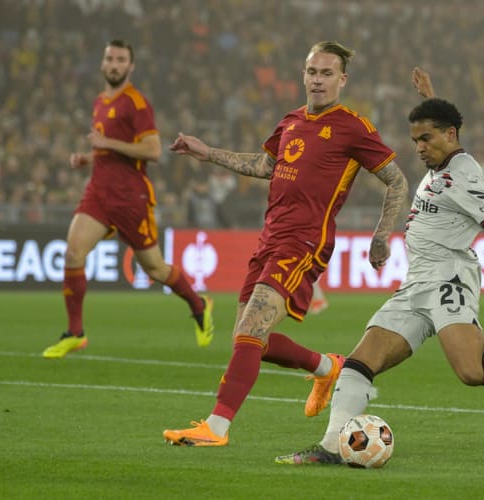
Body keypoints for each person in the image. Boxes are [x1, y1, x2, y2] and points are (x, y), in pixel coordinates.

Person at [274, 68, 484, 465]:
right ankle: (331, 447)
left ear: (450, 135)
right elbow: (444, 126)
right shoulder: (442, 164)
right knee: (360, 363)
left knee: (473, 372)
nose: (418, 148)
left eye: (426, 139)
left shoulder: (466, 174)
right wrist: (431, 97)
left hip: (450, 278)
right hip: (416, 282)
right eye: (415, 140)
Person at [162, 41, 409, 447]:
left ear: (342, 80)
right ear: (303, 74)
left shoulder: (352, 126)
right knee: (249, 338)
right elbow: (264, 166)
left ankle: (216, 427)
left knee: (253, 325)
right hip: (269, 237)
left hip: (305, 241)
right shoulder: (291, 121)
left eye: (327, 73)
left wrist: (382, 233)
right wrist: (208, 153)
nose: (318, 79)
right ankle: (326, 367)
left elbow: (397, 180)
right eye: (312, 71)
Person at [42, 40, 214, 359]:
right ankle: (75, 333)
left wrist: (105, 142)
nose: (114, 64)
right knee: (72, 253)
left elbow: (153, 151)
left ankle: (198, 304)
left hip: (130, 198)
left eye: (121, 60)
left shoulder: (136, 104)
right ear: (102, 63)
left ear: (130, 66)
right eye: (110, 58)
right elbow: (111, 150)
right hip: (98, 193)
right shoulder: (99, 102)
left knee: (156, 269)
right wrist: (90, 157)